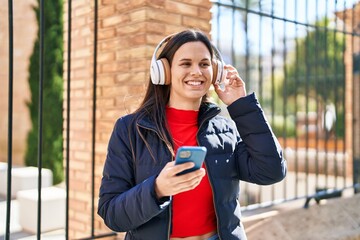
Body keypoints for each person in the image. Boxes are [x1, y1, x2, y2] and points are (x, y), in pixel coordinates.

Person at [97, 29, 287, 240]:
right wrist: (157, 189)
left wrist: (242, 106)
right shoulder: (130, 129)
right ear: (164, 72)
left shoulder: (225, 129)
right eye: (186, 64)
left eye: (204, 64)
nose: (197, 71)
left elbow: (272, 171)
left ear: (215, 72)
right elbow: (111, 213)